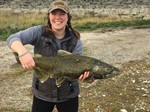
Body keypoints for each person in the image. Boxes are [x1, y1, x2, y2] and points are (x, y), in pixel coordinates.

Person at [7, 0, 93, 112]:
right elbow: (12, 39)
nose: (58, 17)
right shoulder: (38, 32)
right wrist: (22, 53)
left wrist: (86, 77)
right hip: (42, 93)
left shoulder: (75, 40)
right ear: (49, 16)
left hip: (68, 94)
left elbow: (78, 68)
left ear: (68, 17)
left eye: (62, 14)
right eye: (54, 14)